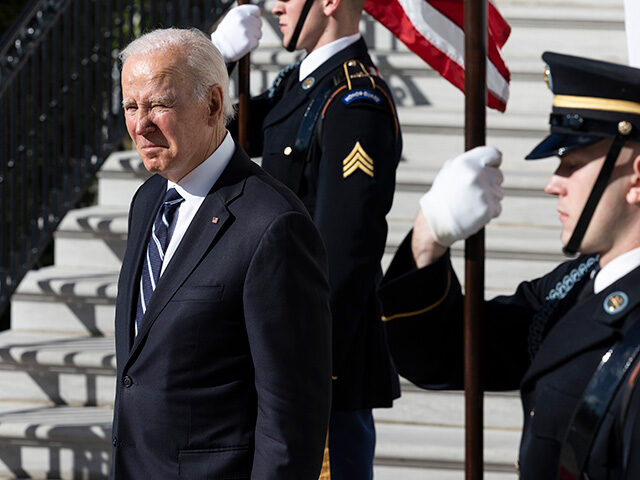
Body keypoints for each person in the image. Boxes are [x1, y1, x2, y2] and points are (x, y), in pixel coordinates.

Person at [378, 52, 640, 479]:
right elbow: (444, 353)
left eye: (572, 165)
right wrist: (429, 237)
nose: (552, 184)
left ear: (637, 179)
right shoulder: (576, 286)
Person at [110, 28, 332, 479]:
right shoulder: (148, 201)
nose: (139, 124)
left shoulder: (272, 225)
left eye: (157, 105)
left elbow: (290, 420)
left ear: (213, 104)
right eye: (131, 107)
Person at [212, 1, 402, 477]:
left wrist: (303, 372)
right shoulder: (305, 83)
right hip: (287, 360)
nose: (275, 5)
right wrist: (215, 65)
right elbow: (227, 136)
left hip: (318, 373)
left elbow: (344, 256)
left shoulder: (356, 102)